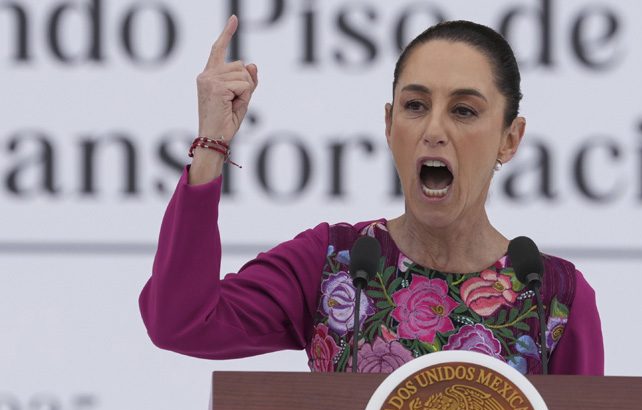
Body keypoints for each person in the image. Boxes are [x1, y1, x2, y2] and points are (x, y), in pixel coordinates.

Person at [139, 16, 604, 375]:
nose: (433, 130)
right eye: (415, 106)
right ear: (389, 124)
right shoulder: (335, 263)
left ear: (510, 139)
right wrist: (211, 146)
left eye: (463, 111)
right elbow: (180, 323)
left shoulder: (552, 298)